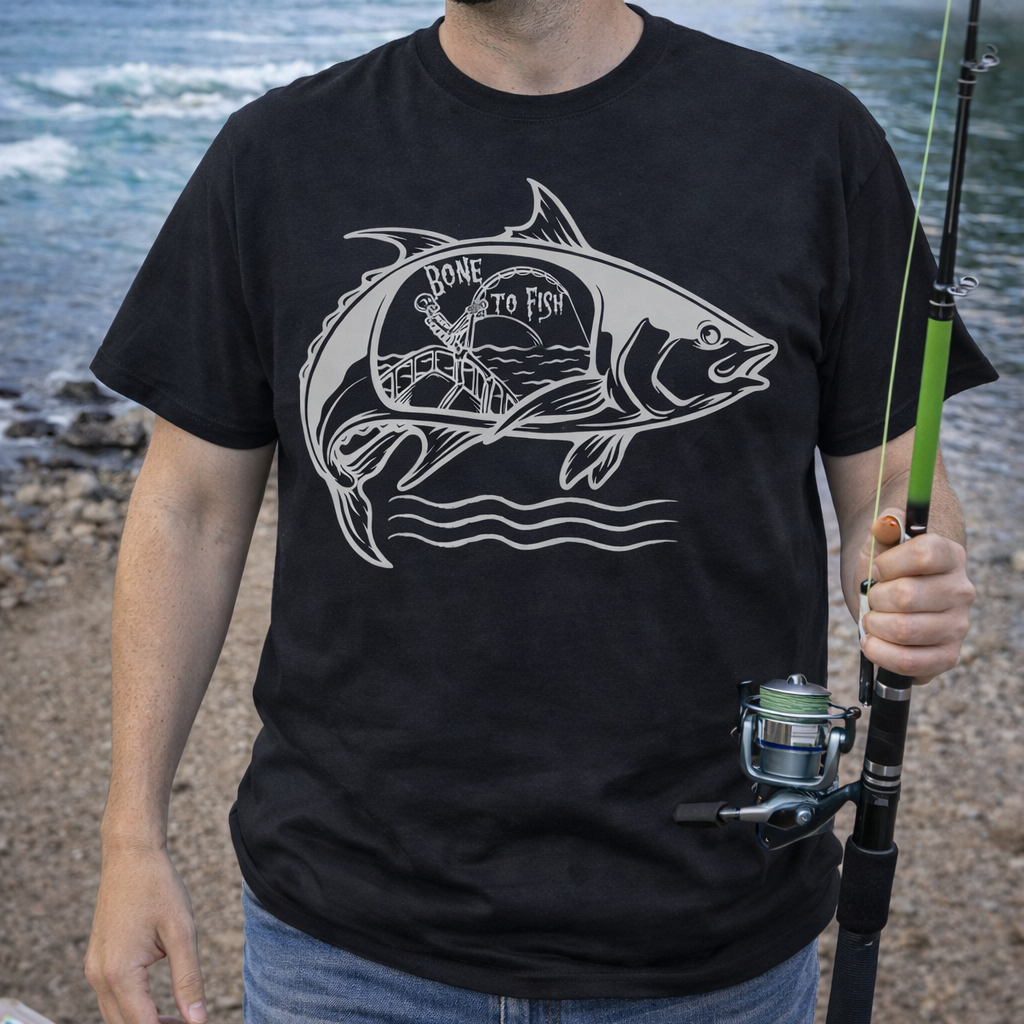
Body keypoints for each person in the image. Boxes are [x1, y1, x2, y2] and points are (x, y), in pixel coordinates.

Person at [83, 2, 996, 1023]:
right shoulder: (277, 153)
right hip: (345, 941)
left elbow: (889, 485)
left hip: (708, 937)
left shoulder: (811, 142)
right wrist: (132, 840)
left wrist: (913, 575)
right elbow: (191, 509)